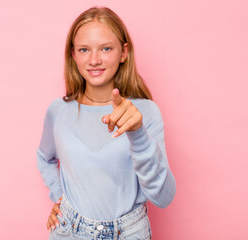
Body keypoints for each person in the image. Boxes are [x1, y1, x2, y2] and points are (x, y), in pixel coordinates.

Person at [36, 6, 176, 240]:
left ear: (123, 53)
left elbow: (164, 197)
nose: (94, 60)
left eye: (106, 48)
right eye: (84, 49)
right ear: (73, 54)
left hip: (129, 232)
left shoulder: (145, 113)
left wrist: (138, 134)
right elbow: (44, 157)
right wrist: (60, 197)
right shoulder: (58, 111)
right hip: (70, 231)